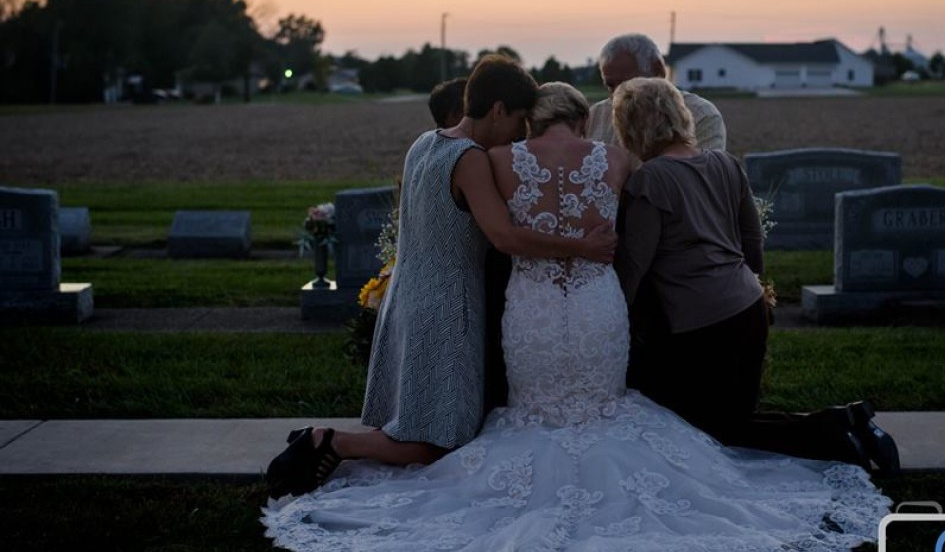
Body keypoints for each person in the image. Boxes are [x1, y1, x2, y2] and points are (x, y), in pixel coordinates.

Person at [262, 81, 891, 551]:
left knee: (538, 411)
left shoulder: (496, 161)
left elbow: (496, 238)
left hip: (532, 306)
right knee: (605, 409)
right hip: (597, 304)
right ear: (581, 119)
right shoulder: (620, 164)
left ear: (531, 119)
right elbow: (648, 231)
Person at [265, 56, 617, 499]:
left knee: (421, 419)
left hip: (409, 296)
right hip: (449, 308)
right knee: (441, 442)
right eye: (517, 122)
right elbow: (504, 236)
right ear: (497, 110)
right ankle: (330, 441)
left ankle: (331, 440)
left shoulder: (425, 142)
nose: (518, 136)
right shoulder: (469, 160)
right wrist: (583, 247)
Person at [612, 77, 899, 473]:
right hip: (746, 308)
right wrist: (755, 291)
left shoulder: (650, 180)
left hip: (698, 324)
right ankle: (846, 423)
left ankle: (838, 435)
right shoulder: (726, 164)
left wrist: (613, 318)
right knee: (731, 418)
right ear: (679, 115)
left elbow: (634, 265)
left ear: (631, 127)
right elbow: (753, 241)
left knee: (712, 429)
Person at [587, 33, 726, 151]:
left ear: (658, 71)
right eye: (610, 85)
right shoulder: (595, 116)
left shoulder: (701, 115)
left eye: (628, 85)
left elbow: (702, 177)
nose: (618, 95)